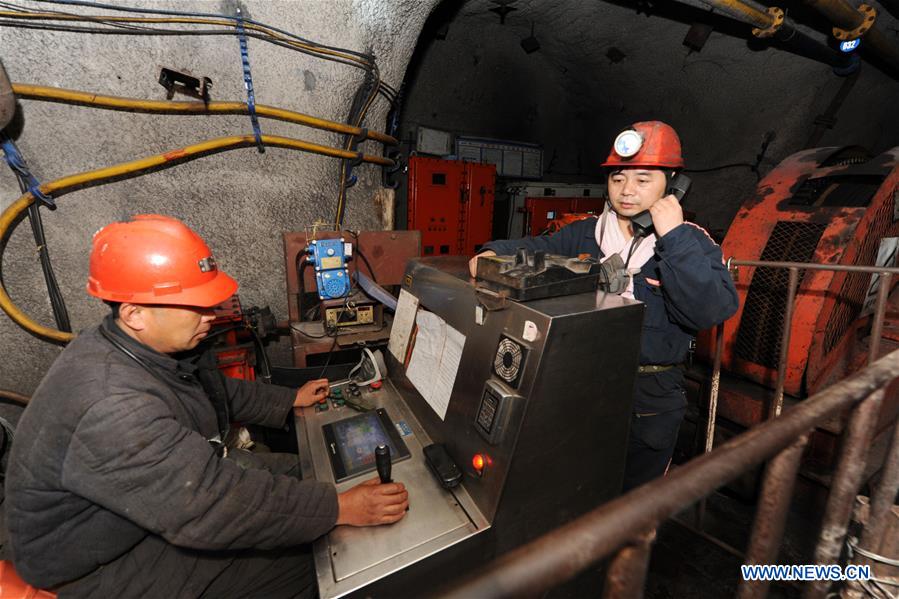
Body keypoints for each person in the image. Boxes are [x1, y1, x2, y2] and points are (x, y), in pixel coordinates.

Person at [6, 214, 408, 598]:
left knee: (310, 475)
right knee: (307, 557)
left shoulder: (144, 348)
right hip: (101, 566)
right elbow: (213, 507)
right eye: (195, 306)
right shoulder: (113, 406)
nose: (212, 316)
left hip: (148, 510)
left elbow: (215, 392)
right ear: (135, 314)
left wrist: (289, 399)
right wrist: (337, 509)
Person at [470, 121, 738, 491]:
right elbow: (534, 249)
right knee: (580, 483)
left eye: (643, 180)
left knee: (633, 504)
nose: (627, 191)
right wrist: (492, 253)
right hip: (586, 382)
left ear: (673, 184)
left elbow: (709, 310)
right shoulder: (588, 232)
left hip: (650, 393)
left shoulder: (691, 243)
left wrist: (672, 236)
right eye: (618, 179)